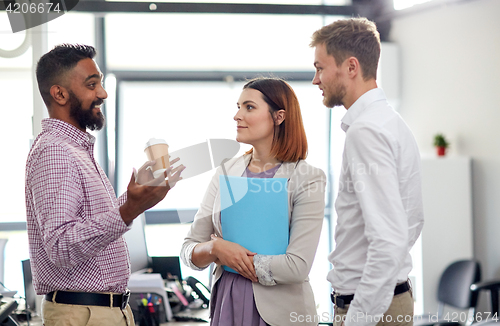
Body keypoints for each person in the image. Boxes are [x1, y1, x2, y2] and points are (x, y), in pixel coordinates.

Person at [25, 44, 184, 326]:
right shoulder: (55, 151)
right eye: (92, 84)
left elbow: (91, 225)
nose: (103, 93)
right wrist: (128, 212)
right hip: (83, 314)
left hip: (102, 312)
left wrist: (135, 198)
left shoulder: (76, 149)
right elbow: (61, 246)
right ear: (59, 94)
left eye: (100, 82)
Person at [180, 77, 326, 326]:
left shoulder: (307, 178)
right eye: (238, 107)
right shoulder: (225, 172)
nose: (237, 115)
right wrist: (216, 249)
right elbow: (189, 249)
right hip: (227, 306)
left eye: (249, 107)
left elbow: (297, 267)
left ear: (279, 116)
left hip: (281, 314)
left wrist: (232, 257)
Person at [310, 18, 424, 326]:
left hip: (370, 308)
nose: (315, 80)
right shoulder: (390, 122)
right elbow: (410, 222)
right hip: (387, 300)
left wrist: (358, 318)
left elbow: (390, 239)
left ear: (350, 67)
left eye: (320, 68)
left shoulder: (366, 131)